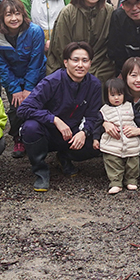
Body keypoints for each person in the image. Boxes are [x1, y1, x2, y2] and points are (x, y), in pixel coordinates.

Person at [17, 42, 103, 192]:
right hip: (48, 132)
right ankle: (41, 171)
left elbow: (93, 115)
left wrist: (85, 132)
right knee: (30, 128)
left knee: (101, 138)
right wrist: (54, 119)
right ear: (66, 62)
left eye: (85, 60)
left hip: (73, 132)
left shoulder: (94, 84)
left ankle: (65, 157)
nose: (80, 65)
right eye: (75, 60)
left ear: (90, 63)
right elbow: (24, 109)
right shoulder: (52, 81)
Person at [0, 0, 45, 159]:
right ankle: (17, 137)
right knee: (15, 108)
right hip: (12, 78)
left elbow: (36, 61)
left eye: (17, 13)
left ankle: (37, 138)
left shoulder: (34, 31)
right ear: (2, 17)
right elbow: (1, 66)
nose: (14, 18)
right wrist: (14, 89)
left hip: (35, 76)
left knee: (36, 106)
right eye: (8, 15)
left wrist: (28, 88)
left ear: (23, 15)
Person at [48, 0, 113, 80]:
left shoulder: (108, 11)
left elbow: (106, 47)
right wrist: (80, 65)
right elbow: (60, 48)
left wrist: (89, 67)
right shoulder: (68, 13)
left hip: (99, 65)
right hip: (68, 64)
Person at [95, 78, 140, 194]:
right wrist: (95, 139)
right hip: (112, 144)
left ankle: (131, 180)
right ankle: (115, 182)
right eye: (113, 95)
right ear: (107, 96)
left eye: (119, 94)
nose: (116, 98)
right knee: (112, 162)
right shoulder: (104, 110)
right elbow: (97, 125)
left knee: (133, 162)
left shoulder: (129, 107)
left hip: (130, 142)